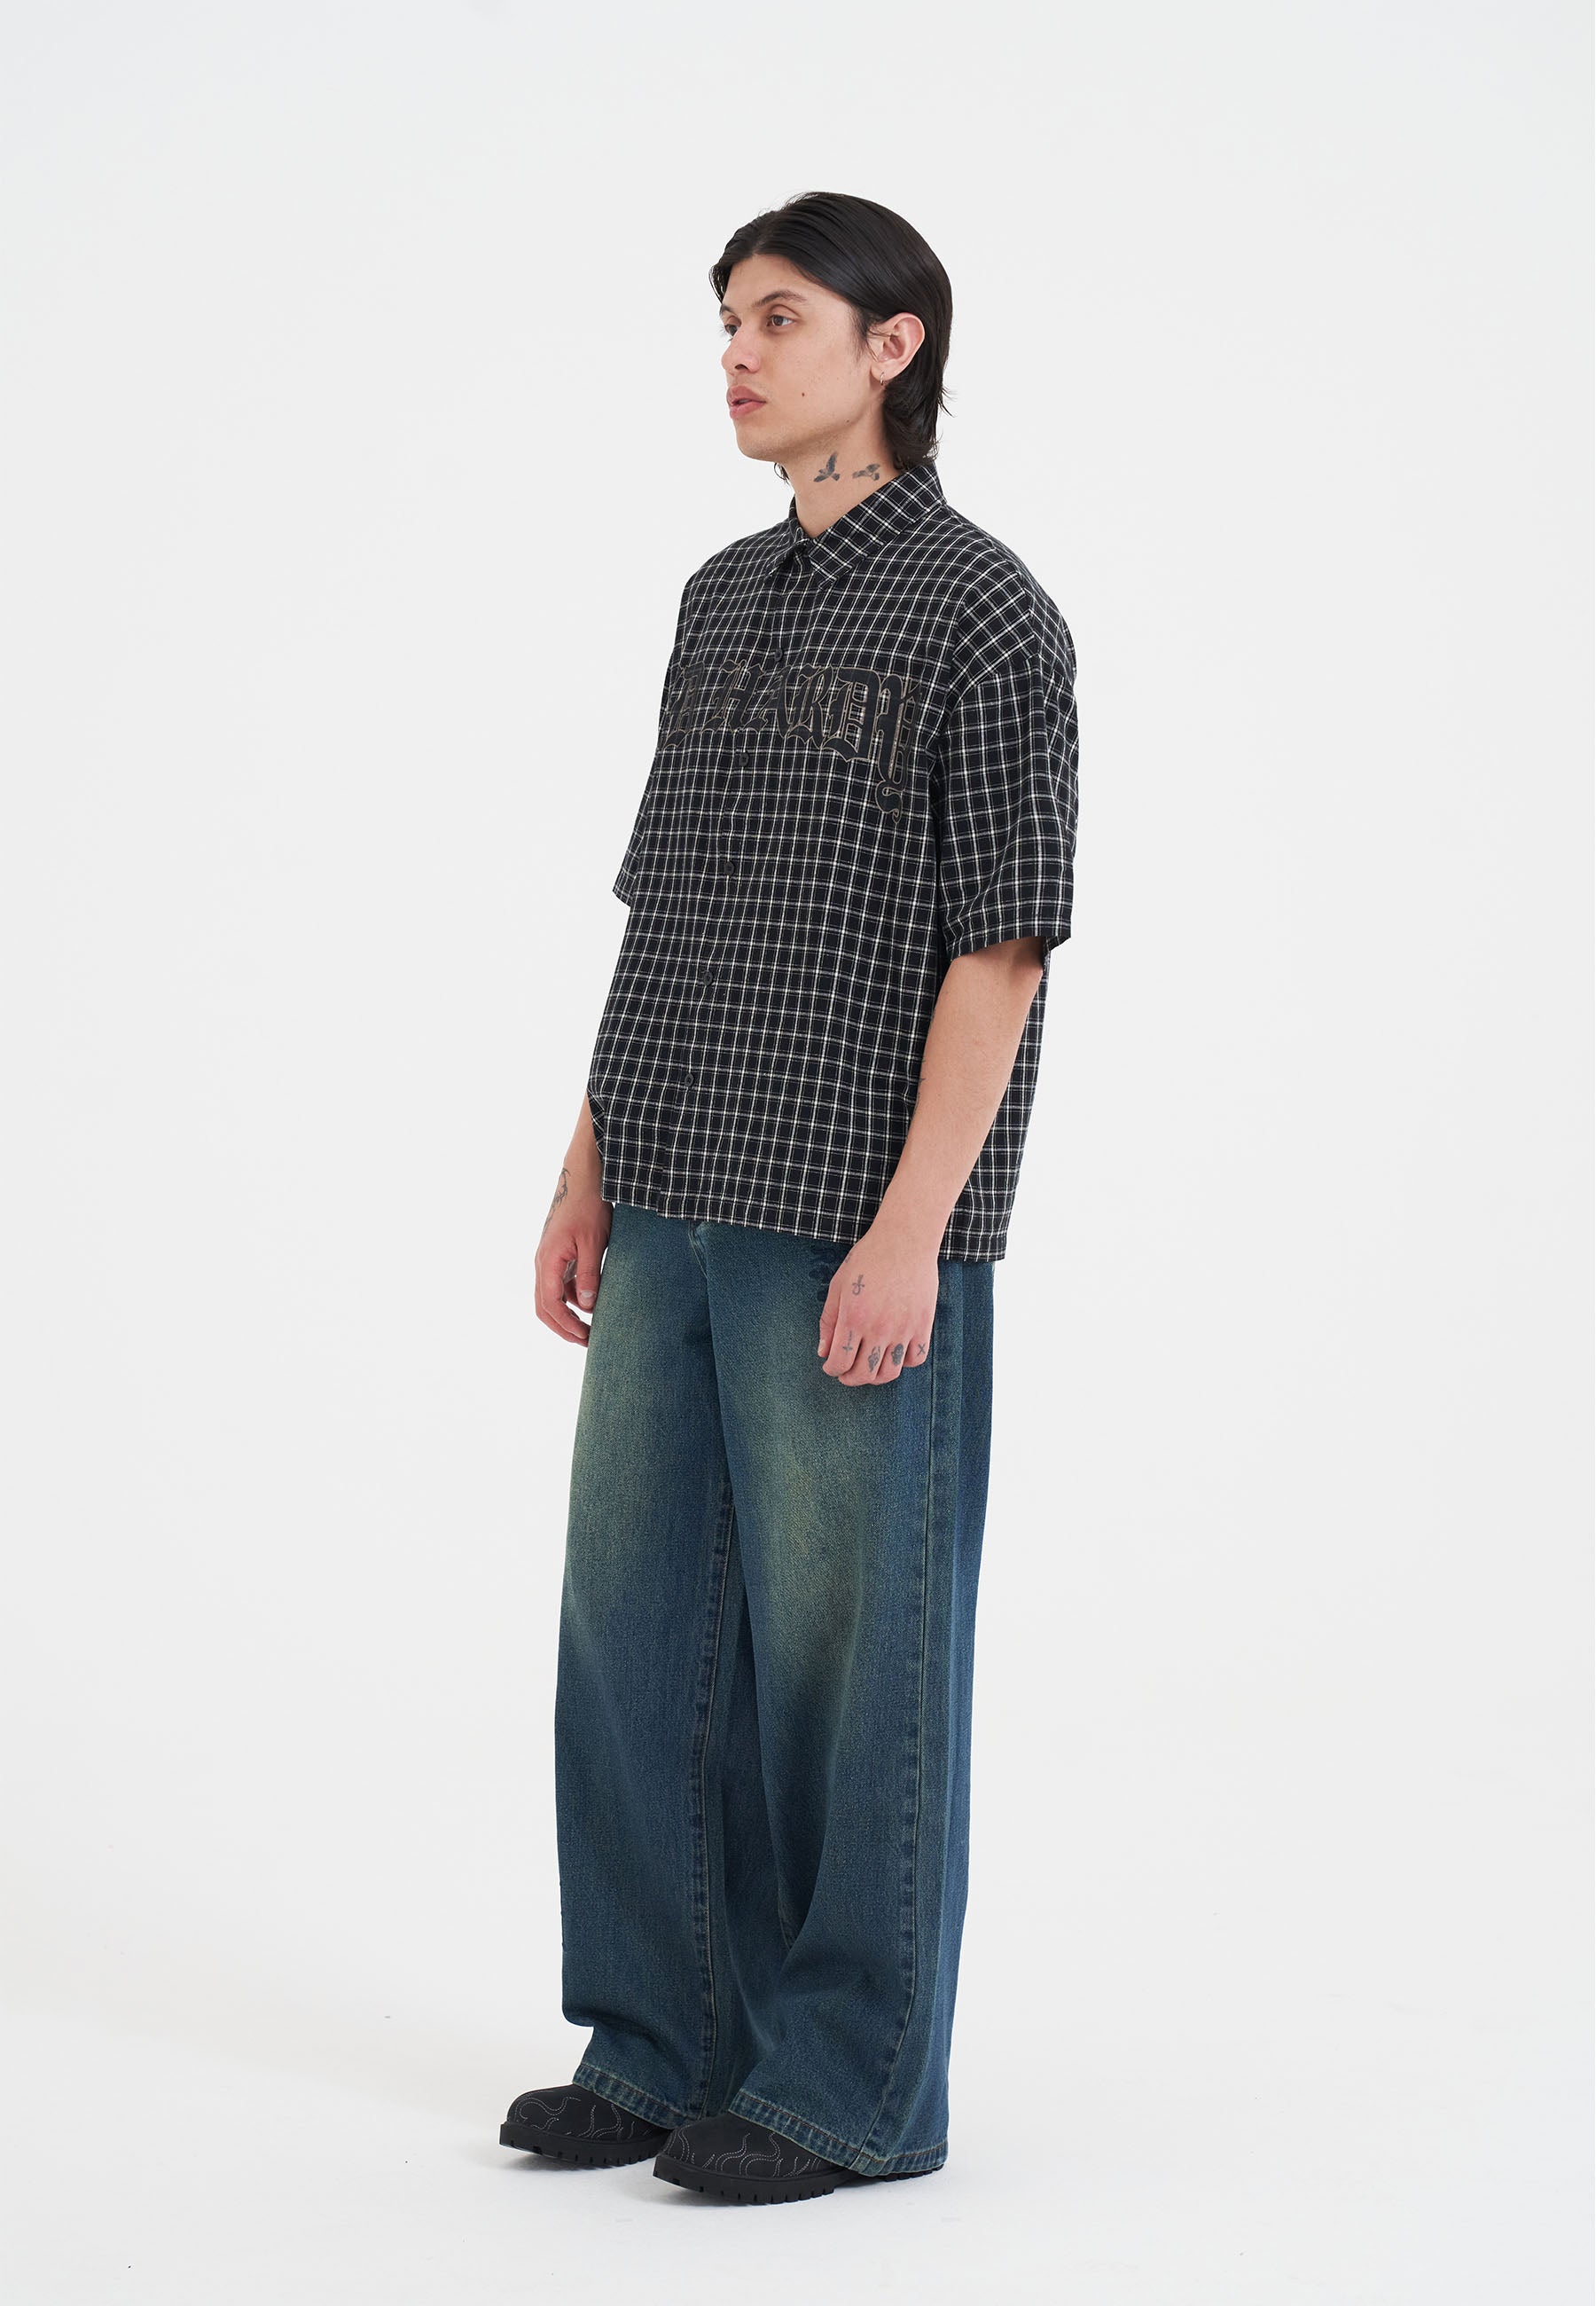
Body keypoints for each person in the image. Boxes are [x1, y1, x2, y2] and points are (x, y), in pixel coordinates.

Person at [499, 190, 1079, 2208]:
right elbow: (659, 905)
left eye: (778, 319)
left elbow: (1003, 947)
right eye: (727, 323)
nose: (738, 357)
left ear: (892, 346)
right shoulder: (718, 599)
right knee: (634, 1631)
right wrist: (585, 1170)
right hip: (669, 1184)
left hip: (851, 1211)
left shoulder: (988, 612)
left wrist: (917, 1231)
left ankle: (849, 2087)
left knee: (853, 1657)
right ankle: (661, 2046)